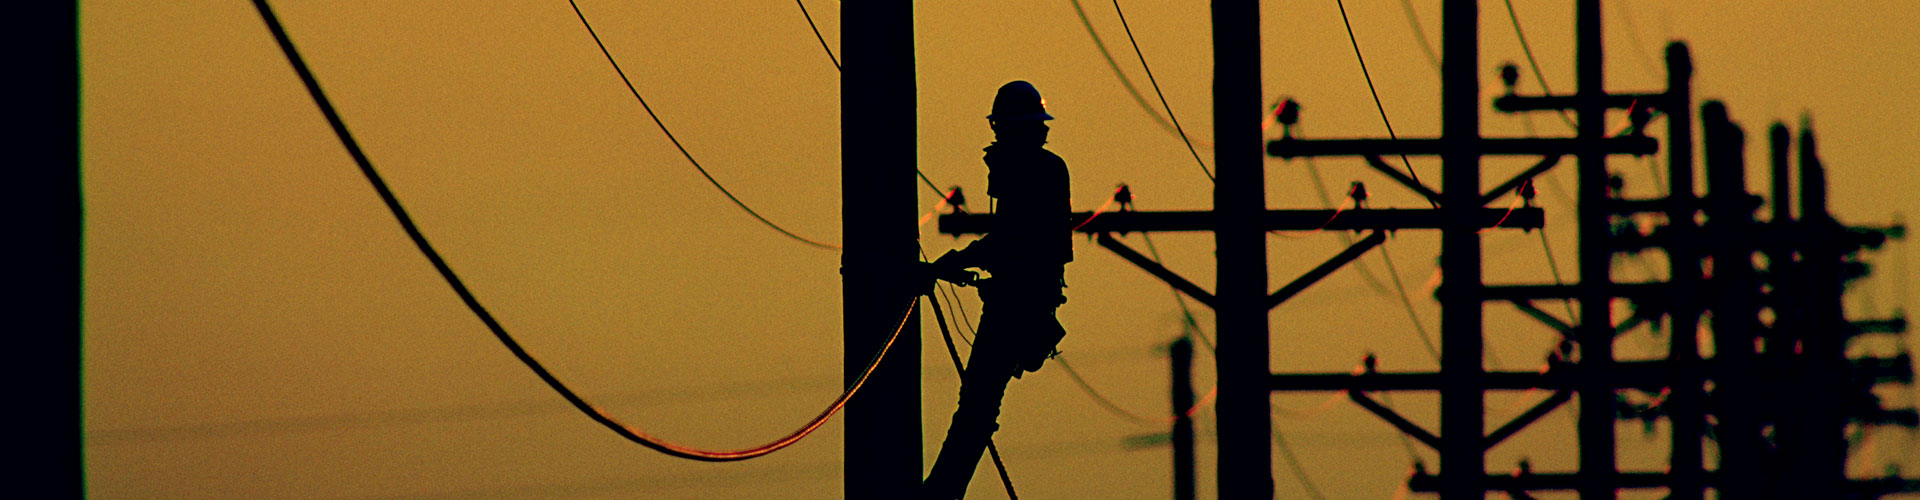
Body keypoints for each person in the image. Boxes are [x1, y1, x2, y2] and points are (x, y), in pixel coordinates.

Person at [921, 80, 1074, 499]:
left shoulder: (1033, 173)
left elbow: (1013, 241)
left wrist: (958, 260)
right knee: (978, 406)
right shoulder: (1038, 170)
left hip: (1018, 305)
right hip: (1022, 300)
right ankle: (942, 490)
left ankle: (940, 492)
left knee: (976, 406)